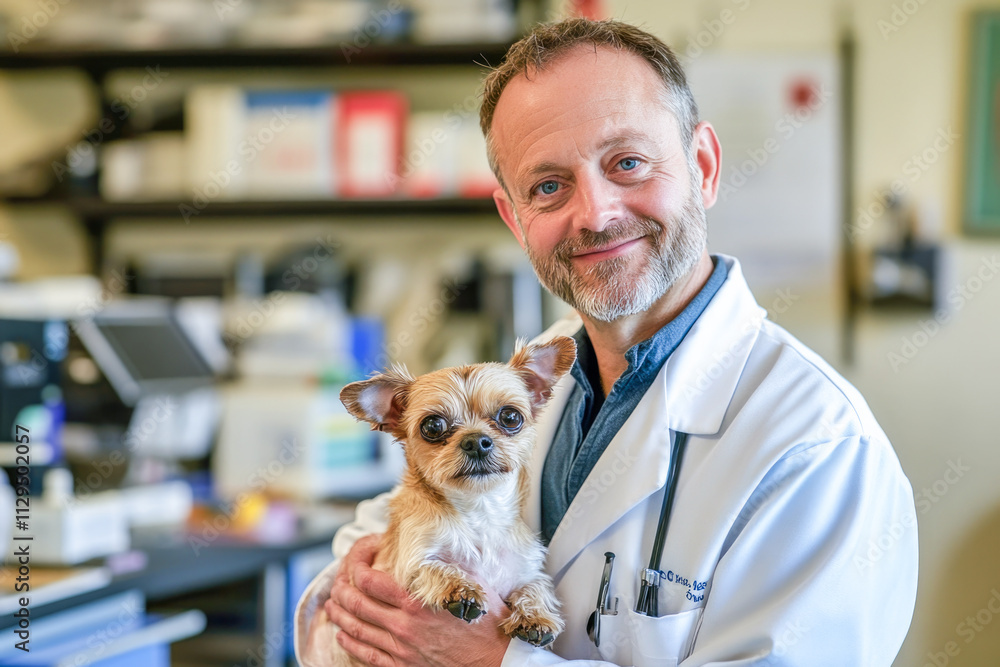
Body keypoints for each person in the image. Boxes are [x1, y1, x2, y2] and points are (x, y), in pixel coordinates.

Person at [294, 17, 918, 667]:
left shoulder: (817, 446)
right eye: (548, 186)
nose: (595, 213)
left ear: (702, 166)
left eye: (627, 162)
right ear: (515, 218)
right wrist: (374, 588)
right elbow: (365, 550)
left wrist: (491, 661)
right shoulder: (532, 378)